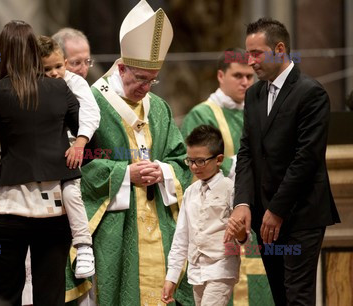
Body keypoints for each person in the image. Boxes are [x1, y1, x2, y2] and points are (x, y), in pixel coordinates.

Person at [65, 1, 193, 305]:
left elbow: (182, 160)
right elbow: (77, 164)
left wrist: (163, 171)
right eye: (140, 79)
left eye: (153, 80)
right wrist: (125, 174)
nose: (147, 87)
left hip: (160, 223)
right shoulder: (91, 103)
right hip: (116, 228)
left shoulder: (159, 109)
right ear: (121, 67)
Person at [224, 18, 340, 305]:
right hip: (264, 215)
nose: (250, 62)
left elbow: (306, 158)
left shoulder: (310, 93)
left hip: (301, 214)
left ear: (279, 48)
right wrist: (242, 203)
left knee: (297, 296)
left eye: (257, 53)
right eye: (248, 53)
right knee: (280, 295)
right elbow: (248, 152)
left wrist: (277, 209)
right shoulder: (254, 94)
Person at [0, 20, 81, 306]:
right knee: (50, 295)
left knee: (4, 294)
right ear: (36, 53)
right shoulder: (59, 89)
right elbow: (79, 125)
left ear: (2, 53)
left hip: (8, 207)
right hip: (53, 208)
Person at [162, 125, 246, 306]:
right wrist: (172, 277)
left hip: (221, 267)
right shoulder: (191, 191)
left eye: (200, 161)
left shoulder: (231, 189)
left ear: (219, 159)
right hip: (196, 270)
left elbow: (245, 235)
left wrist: (240, 234)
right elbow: (181, 238)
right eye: (190, 161)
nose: (194, 167)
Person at [37, 35, 100, 278]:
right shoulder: (35, 84)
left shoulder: (76, 83)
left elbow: (91, 114)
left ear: (65, 62)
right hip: (40, 149)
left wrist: (80, 143)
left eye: (58, 66)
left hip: (70, 147)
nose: (54, 73)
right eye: (46, 69)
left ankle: (84, 246)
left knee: (70, 190)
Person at [180, 48, 254, 179]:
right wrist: (239, 165)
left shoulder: (257, 110)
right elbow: (192, 159)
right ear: (221, 76)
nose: (245, 83)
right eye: (238, 76)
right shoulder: (201, 115)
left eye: (249, 76)